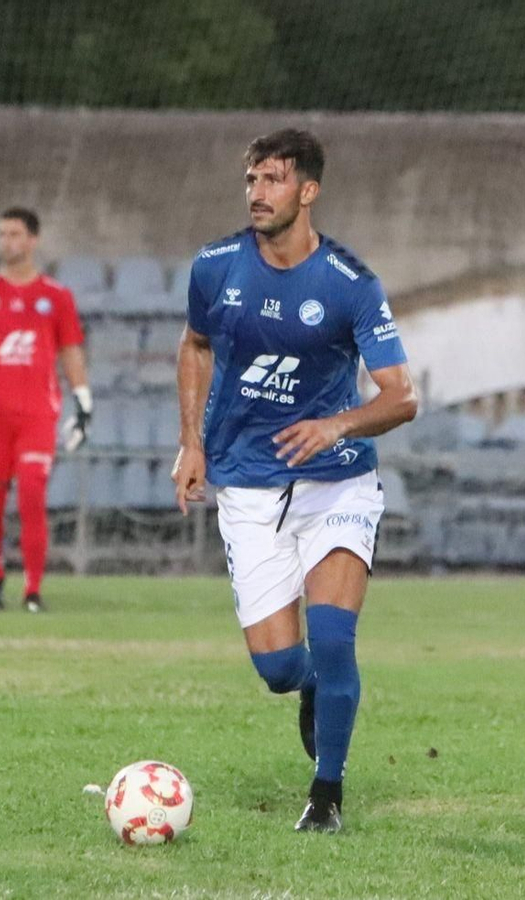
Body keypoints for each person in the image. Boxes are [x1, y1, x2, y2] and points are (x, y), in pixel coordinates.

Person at [171, 129, 418, 832]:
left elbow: (401, 397)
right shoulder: (215, 267)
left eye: (273, 179)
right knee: (281, 667)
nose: (257, 192)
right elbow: (194, 345)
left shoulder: (350, 285)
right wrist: (190, 444)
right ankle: (311, 687)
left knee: (336, 637)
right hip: (247, 483)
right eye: (251, 179)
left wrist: (337, 426)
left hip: (336, 482)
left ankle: (327, 796)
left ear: (308, 191)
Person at [0, 207, 93, 613]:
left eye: (14, 234)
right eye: (2, 234)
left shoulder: (56, 297)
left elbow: (70, 351)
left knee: (32, 496)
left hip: (36, 416)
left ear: (33, 240)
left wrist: (83, 401)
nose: (7, 242)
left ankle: (32, 591)